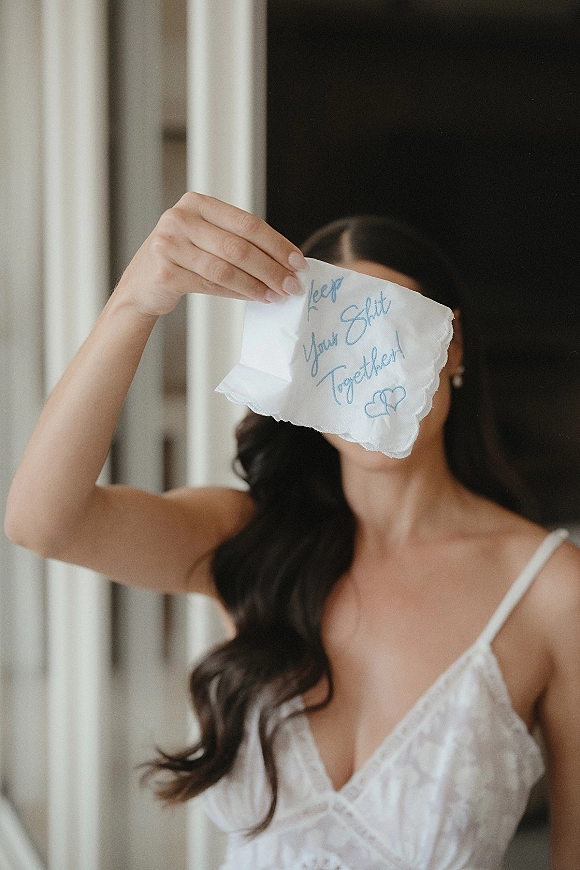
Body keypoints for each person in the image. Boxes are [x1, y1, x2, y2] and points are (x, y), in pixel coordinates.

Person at [4, 193, 580, 869]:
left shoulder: (552, 593)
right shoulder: (246, 537)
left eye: (387, 331)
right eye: (331, 337)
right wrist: (137, 300)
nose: (363, 369)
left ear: (450, 342)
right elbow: (45, 522)